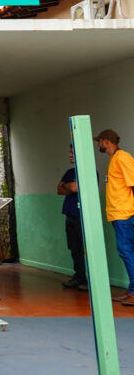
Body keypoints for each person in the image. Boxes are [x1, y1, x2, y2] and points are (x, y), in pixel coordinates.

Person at [95, 129, 134, 306]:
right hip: (118, 214)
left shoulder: (123, 157)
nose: (98, 144)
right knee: (127, 252)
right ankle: (131, 290)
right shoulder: (114, 159)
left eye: (99, 141)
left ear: (107, 141)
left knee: (126, 252)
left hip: (125, 214)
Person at [57, 146, 88, 290]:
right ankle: (79, 277)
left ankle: (90, 281)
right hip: (69, 216)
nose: (70, 154)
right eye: (69, 152)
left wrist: (67, 186)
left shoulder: (88, 170)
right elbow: (59, 190)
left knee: (85, 249)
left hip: (82, 217)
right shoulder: (70, 172)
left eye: (72, 152)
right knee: (74, 249)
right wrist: (68, 186)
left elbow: (75, 188)